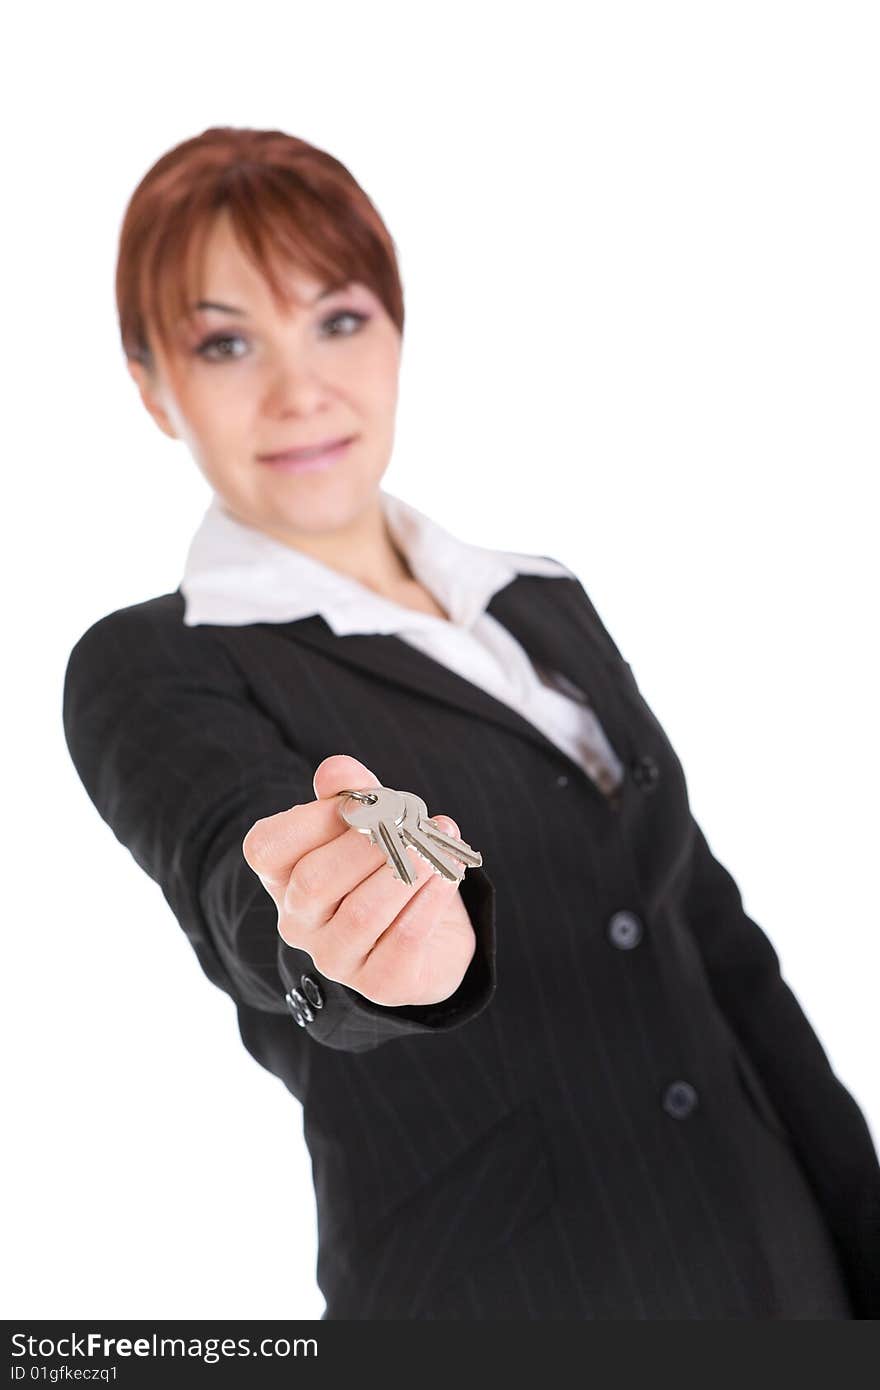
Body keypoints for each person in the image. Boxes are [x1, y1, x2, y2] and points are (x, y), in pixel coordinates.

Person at [62, 125, 880, 1320]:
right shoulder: (154, 661)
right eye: (227, 341)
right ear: (151, 385)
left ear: (394, 333)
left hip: (777, 1263)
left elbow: (720, 950)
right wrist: (355, 954)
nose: (301, 390)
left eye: (338, 319)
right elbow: (243, 878)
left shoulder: (538, 599)